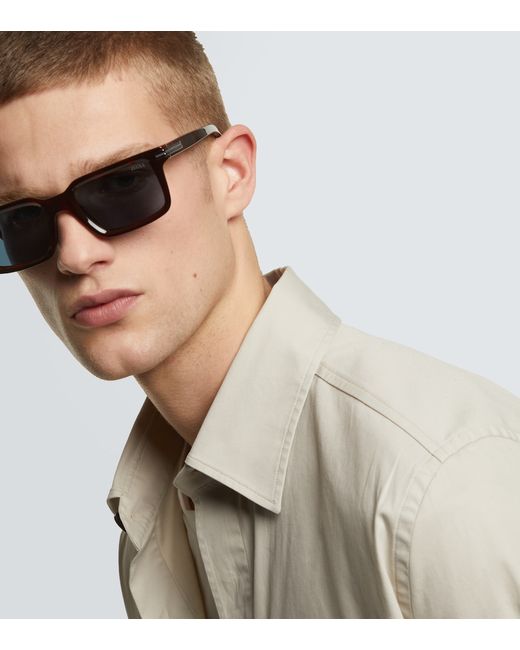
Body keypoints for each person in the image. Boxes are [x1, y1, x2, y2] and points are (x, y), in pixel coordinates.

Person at [0, 31, 519, 620]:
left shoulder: (434, 486)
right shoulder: (153, 516)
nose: (72, 255)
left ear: (232, 172)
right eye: (21, 221)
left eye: (121, 185)